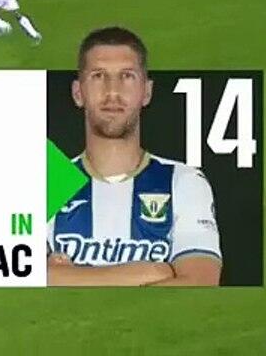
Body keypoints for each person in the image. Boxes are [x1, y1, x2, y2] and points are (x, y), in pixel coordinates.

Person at [49, 26, 222, 285]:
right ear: (78, 92)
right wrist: (152, 272)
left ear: (147, 92)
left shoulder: (184, 181)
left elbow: (200, 283)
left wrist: (64, 277)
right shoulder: (48, 181)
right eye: (98, 76)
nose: (113, 92)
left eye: (127, 76)